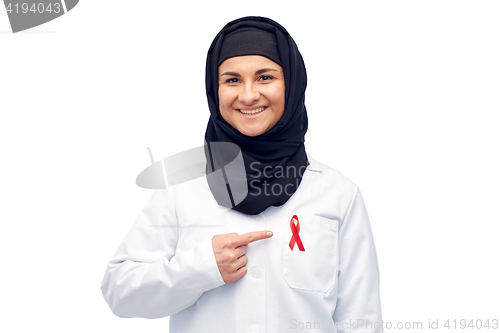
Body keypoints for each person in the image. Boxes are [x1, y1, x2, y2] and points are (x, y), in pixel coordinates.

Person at [101, 16, 383, 333]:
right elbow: (119, 291)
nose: (248, 95)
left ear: (292, 84)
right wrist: (202, 267)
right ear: (214, 89)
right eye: (232, 80)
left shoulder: (338, 194)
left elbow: (361, 321)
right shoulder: (181, 186)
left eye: (265, 77)